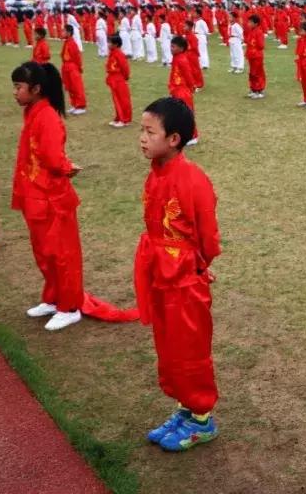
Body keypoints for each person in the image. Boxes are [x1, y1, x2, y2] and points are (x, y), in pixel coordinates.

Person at [135, 97, 222, 451]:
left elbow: (209, 237)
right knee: (169, 346)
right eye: (141, 130)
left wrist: (199, 266)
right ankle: (185, 408)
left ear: (173, 139)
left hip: (183, 278)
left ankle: (202, 418)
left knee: (189, 348)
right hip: (160, 272)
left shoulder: (192, 179)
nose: (141, 138)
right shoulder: (155, 174)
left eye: (149, 131)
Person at [10, 61, 84, 332]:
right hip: (35, 194)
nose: (15, 92)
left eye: (19, 87)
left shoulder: (48, 117)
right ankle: (53, 298)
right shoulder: (33, 112)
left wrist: (66, 168)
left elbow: (53, 158)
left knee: (61, 254)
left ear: (37, 89)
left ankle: (70, 306)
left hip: (51, 197)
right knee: (44, 252)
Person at [168, 36, 199, 145]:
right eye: (170, 46)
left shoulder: (182, 59)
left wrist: (192, 87)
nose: (170, 48)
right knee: (179, 114)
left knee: (186, 114)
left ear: (181, 48)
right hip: (176, 89)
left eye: (173, 46)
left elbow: (188, 75)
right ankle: (183, 134)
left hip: (182, 91)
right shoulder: (176, 57)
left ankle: (193, 136)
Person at [105, 34, 133, 127]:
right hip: (113, 79)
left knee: (123, 100)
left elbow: (125, 67)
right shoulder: (112, 53)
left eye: (110, 42)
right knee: (116, 100)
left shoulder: (119, 54)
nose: (108, 44)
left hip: (119, 79)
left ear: (116, 44)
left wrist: (125, 77)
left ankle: (125, 119)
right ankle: (118, 117)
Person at [60, 25, 87, 115]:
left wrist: (79, 67)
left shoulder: (72, 43)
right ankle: (75, 104)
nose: (62, 33)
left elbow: (77, 57)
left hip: (72, 67)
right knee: (70, 87)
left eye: (64, 31)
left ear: (69, 32)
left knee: (77, 86)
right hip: (66, 67)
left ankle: (81, 106)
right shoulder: (67, 42)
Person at [245, 14, 267, 99]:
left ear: (256, 23)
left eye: (250, 22)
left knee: (258, 73)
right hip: (251, 55)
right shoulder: (251, 31)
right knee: (252, 73)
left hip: (257, 56)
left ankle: (260, 90)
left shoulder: (259, 32)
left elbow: (261, 45)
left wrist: (254, 48)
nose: (248, 23)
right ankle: (254, 89)